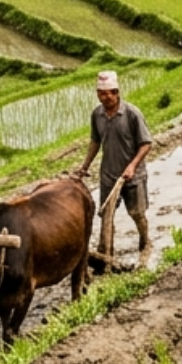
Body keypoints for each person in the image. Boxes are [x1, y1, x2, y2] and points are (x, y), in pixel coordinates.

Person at [78, 70, 153, 266]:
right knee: (106, 216)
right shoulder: (97, 115)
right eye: (103, 93)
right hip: (109, 175)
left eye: (111, 92)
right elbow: (95, 141)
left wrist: (132, 166)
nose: (107, 97)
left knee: (137, 212)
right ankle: (106, 252)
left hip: (133, 176)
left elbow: (146, 143)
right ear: (98, 95)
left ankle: (145, 241)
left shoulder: (131, 114)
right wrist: (85, 166)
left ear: (117, 92)